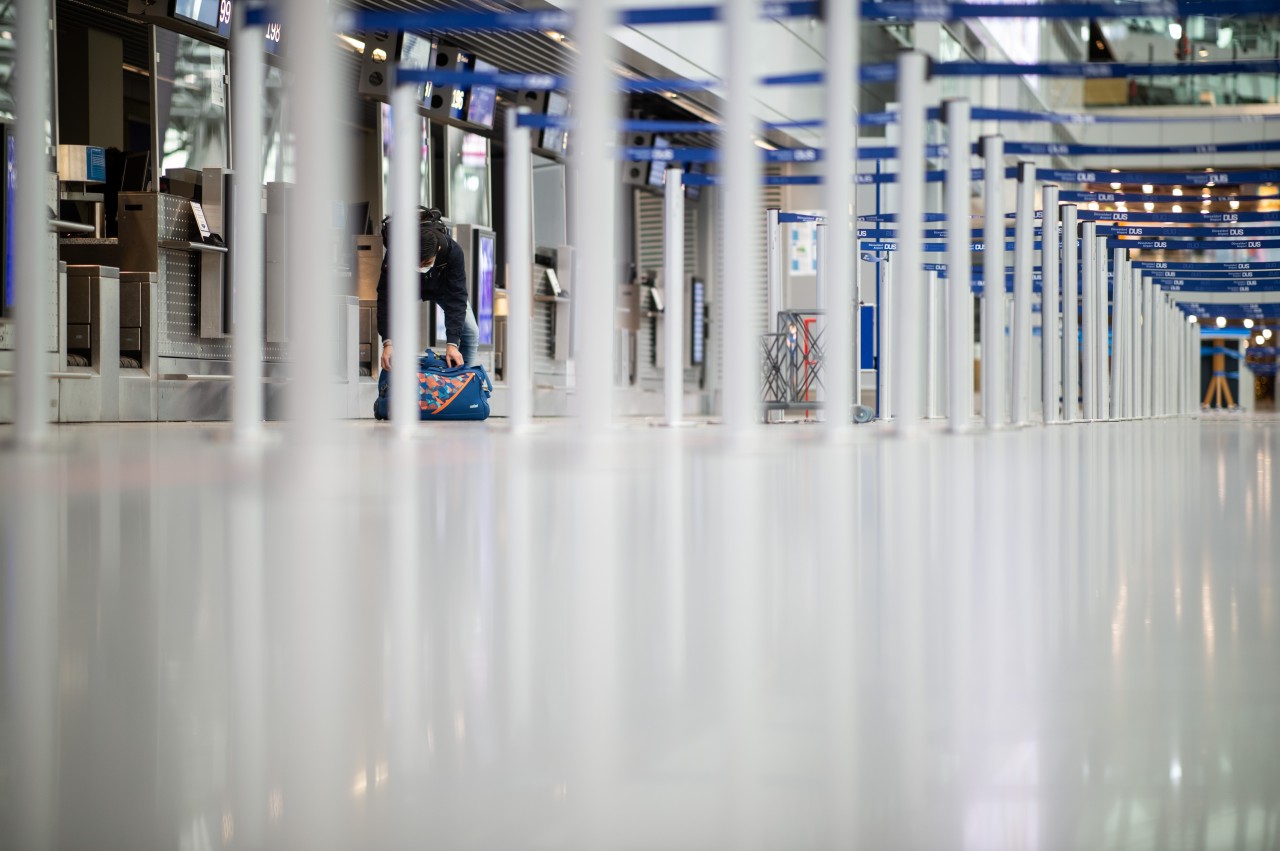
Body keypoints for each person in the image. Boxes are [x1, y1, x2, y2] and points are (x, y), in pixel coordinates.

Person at [376, 207, 479, 371]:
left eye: (425, 263)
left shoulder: (453, 252)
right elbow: (386, 298)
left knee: (471, 332)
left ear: (438, 250)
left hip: (443, 287)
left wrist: (452, 344)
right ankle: (393, 386)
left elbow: (457, 297)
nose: (420, 267)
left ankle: (462, 382)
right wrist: (388, 342)